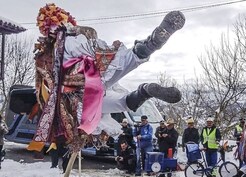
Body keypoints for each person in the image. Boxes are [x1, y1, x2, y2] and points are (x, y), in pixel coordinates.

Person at [29, 3, 185, 155]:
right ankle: (149, 54)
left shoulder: (61, 45)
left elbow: (48, 89)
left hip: (83, 91)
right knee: (124, 67)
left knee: (120, 100)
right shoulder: (67, 42)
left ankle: (145, 89)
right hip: (94, 84)